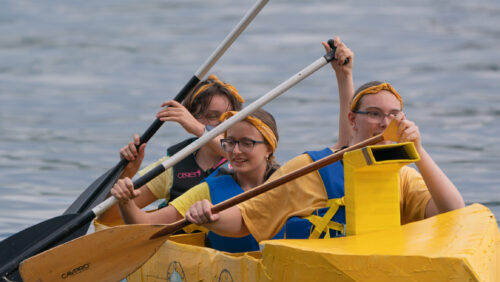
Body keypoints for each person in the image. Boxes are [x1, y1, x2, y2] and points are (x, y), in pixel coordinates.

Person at [107, 37, 355, 251]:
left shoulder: (287, 180)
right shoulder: (206, 190)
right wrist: (126, 200)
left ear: (269, 148)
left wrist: (343, 75)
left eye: (247, 143)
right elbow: (146, 225)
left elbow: (347, 147)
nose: (236, 151)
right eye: (231, 143)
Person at [183, 80, 465, 243]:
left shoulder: (402, 176)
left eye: (394, 115)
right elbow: (245, 220)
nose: (385, 124)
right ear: (353, 120)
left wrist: (419, 151)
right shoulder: (307, 168)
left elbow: (453, 211)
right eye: (375, 114)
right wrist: (210, 216)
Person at [99, 74, 244, 224]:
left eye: (229, 117)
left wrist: (200, 129)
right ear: (190, 117)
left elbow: (240, 154)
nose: (222, 124)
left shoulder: (249, 159)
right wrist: (127, 172)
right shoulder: (171, 166)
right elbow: (108, 219)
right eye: (213, 116)